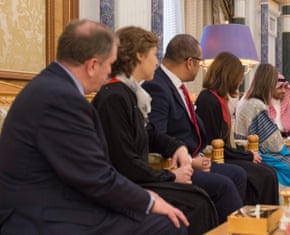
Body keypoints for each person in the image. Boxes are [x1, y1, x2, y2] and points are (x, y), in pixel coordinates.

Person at [0, 19, 188, 234]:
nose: (110, 72)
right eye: (109, 64)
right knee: (170, 223)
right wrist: (148, 200)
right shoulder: (62, 99)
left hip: (56, 200)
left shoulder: (50, 86)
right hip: (42, 216)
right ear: (92, 65)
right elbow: (96, 176)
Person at [91, 26, 218, 234]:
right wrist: (172, 177)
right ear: (139, 55)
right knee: (196, 202)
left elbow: (150, 133)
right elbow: (125, 163)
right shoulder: (113, 97)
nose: (157, 62)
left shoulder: (128, 94)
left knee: (198, 198)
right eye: (153, 55)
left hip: (137, 179)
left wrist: (177, 147)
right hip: (125, 185)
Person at [141, 34, 246, 224]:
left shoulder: (175, 85)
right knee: (224, 185)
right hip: (174, 165)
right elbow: (156, 137)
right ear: (190, 62)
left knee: (238, 174)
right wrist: (189, 160)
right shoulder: (157, 86)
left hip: (193, 158)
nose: (201, 67)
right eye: (200, 62)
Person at [195, 51, 279, 205]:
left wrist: (246, 154)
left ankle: (267, 219)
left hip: (225, 154)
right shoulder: (208, 101)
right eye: (239, 77)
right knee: (264, 175)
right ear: (229, 76)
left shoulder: (218, 99)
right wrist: (247, 155)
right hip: (216, 157)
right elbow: (214, 144)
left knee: (269, 172)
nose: (240, 82)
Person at [235, 63, 290, 187]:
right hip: (258, 152)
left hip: (247, 148)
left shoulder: (244, 100)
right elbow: (274, 144)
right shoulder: (257, 104)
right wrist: (284, 146)